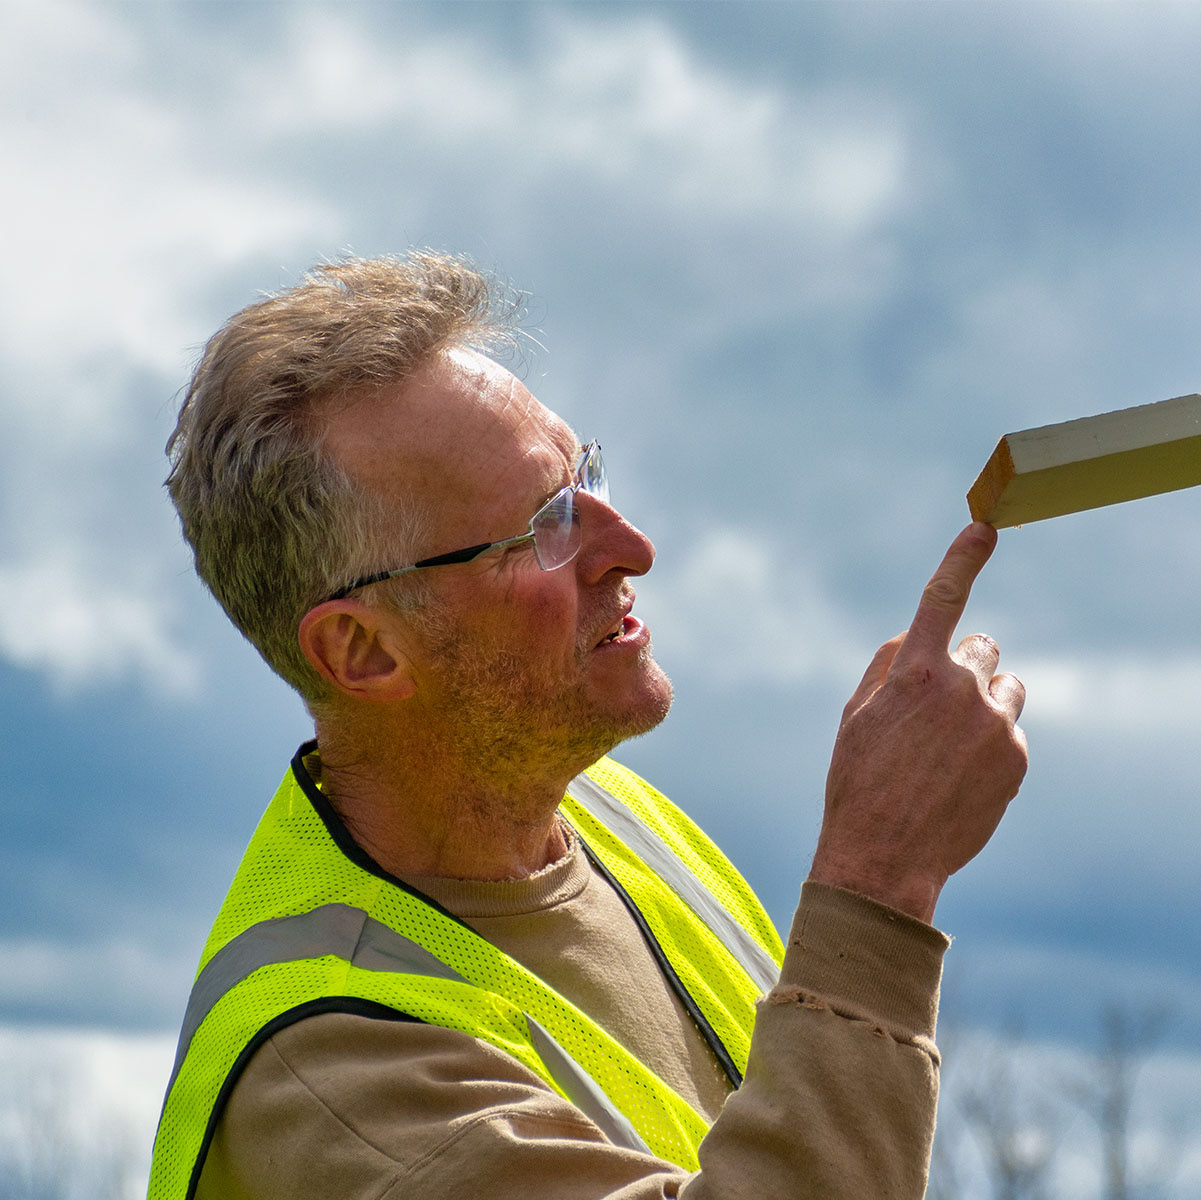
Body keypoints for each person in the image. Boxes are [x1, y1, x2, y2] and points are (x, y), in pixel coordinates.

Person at [150, 252, 1028, 1199]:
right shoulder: (333, 1072)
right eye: (548, 524)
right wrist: (879, 883)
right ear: (364, 652)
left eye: (590, 477)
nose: (632, 549)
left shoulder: (611, 814)